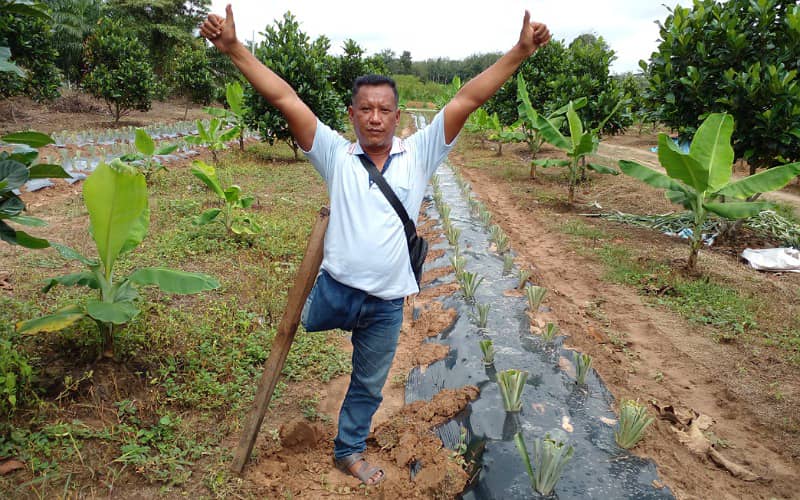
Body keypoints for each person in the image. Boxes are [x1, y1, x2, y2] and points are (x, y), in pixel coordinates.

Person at [200, 4, 550, 486]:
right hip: (336, 291)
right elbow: (285, 97)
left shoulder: (420, 153)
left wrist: (520, 52)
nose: (375, 118)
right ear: (351, 114)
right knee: (308, 320)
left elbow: (468, 98)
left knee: (367, 384)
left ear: (397, 115)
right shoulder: (335, 155)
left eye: (385, 109)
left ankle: (348, 450)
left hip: (386, 302)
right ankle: (315, 320)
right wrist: (235, 49)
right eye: (365, 108)